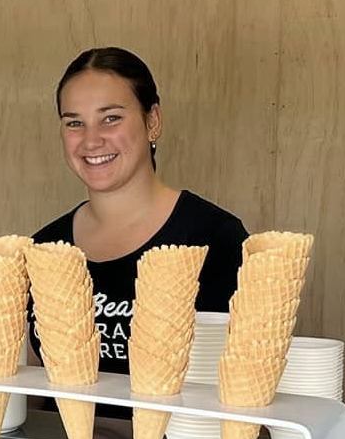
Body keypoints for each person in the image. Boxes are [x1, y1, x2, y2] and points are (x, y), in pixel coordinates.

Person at [32, 47, 247, 372]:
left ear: (153, 121)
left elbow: (243, 388)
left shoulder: (215, 238)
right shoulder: (44, 248)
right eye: (75, 122)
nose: (91, 141)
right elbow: (27, 391)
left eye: (111, 118)